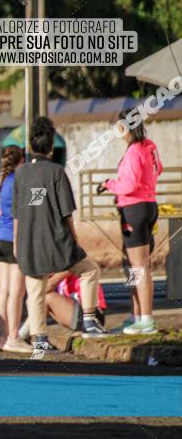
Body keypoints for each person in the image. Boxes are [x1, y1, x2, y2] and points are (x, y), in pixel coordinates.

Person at [13, 116, 108, 351]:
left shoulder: (21, 173)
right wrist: (74, 240)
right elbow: (67, 214)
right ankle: (88, 320)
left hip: (29, 243)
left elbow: (17, 215)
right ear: (50, 147)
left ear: (31, 146)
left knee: (35, 290)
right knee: (90, 270)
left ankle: (39, 340)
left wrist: (17, 244)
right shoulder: (57, 172)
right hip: (57, 241)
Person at [99, 107, 162, 335]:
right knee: (135, 266)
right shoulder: (149, 146)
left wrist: (109, 184)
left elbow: (129, 185)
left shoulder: (134, 150)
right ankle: (138, 316)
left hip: (134, 209)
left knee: (138, 269)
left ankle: (146, 320)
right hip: (148, 205)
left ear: (124, 126)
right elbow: (158, 169)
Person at [0, 145, 29, 353]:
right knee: (17, 292)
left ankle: (3, 336)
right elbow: (18, 215)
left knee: (3, 289)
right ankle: (14, 336)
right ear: (20, 161)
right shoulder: (17, 183)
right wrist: (18, 242)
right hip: (13, 238)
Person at [19, 272, 107, 336]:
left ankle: (23, 335)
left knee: (45, 298)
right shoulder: (58, 275)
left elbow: (43, 290)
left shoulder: (66, 271)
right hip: (80, 315)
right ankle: (38, 342)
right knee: (38, 301)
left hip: (93, 316)